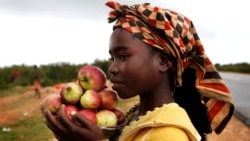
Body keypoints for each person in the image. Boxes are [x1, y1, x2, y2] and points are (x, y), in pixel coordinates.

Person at [42, 1, 234, 141]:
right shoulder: (136, 116)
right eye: (112, 58)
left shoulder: (170, 134)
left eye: (123, 57)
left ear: (163, 62)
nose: (112, 68)